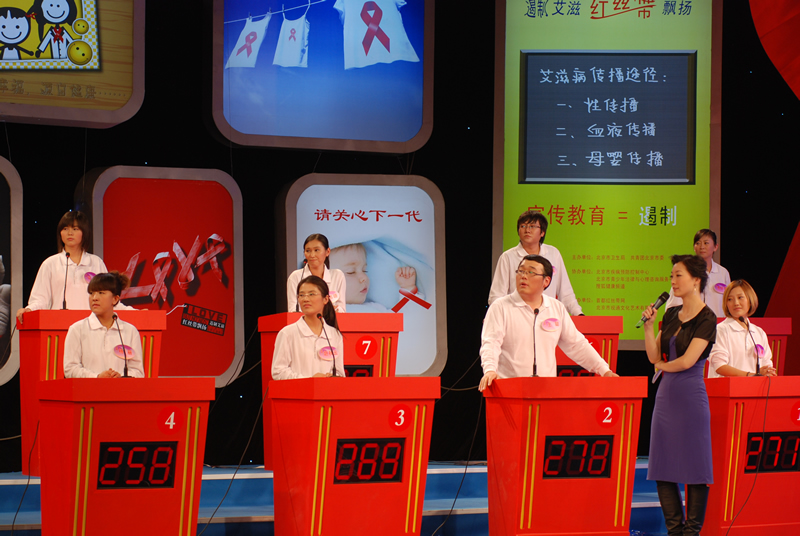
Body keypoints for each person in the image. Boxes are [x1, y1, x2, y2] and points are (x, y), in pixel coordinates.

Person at [641, 254, 715, 536]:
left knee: (696, 468)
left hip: (691, 395)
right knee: (663, 466)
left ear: (696, 280)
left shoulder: (707, 318)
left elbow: (686, 361)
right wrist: (649, 326)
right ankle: (675, 531)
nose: (672, 281)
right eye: (671, 276)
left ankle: (691, 532)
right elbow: (653, 356)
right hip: (666, 397)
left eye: (678, 275)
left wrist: (661, 366)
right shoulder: (671, 314)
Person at [479, 255, 617, 391]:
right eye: (521, 271)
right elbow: (491, 343)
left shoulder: (556, 307)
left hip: (546, 391)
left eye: (531, 272)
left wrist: (604, 370)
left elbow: (576, 344)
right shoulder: (500, 307)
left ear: (546, 281)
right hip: (509, 390)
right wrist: (490, 370)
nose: (524, 276)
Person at [16, 211, 131, 324]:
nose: (69, 233)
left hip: (92, 326)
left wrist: (133, 311)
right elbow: (40, 299)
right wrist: (29, 309)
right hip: (59, 325)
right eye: (65, 228)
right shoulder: (50, 264)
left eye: (75, 229)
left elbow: (109, 299)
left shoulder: (96, 262)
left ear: (84, 232)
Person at [488, 210, 582, 315]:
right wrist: (495, 316)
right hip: (517, 317)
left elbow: (566, 293)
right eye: (523, 226)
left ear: (542, 232)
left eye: (532, 226)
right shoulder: (508, 257)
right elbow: (497, 295)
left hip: (548, 317)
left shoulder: (553, 253)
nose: (527, 230)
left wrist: (578, 314)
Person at [64, 272, 144, 378]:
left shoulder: (130, 331)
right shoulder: (77, 329)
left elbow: (138, 372)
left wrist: (121, 377)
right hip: (88, 388)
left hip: (120, 388)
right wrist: (96, 377)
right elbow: (70, 369)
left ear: (115, 299)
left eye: (101, 293)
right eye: (91, 293)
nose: (94, 298)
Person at [273, 275, 345, 380]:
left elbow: (340, 374)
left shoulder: (335, 335)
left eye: (311, 294)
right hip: (299, 390)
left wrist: (331, 378)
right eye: (302, 295)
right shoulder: (287, 333)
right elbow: (278, 372)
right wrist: (310, 380)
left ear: (325, 299)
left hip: (326, 391)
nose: (306, 299)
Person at [708, 280, 776, 378]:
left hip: (754, 386)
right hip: (726, 387)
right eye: (730, 299)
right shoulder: (720, 330)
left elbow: (766, 363)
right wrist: (749, 375)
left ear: (750, 299)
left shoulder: (759, 332)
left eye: (740, 297)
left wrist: (766, 372)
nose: (736, 303)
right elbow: (719, 366)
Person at [330, 242, 421, 310]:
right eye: (351, 272)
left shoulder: (374, 309)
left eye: (364, 270)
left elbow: (405, 320)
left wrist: (408, 288)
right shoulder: (324, 313)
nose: (364, 277)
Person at [664, 229, 731, 318]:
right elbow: (673, 306)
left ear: (715, 247)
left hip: (719, 323)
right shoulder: (687, 271)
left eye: (706, 243)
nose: (702, 247)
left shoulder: (723, 273)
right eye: (698, 243)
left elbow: (729, 301)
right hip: (692, 323)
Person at [287, 234, 346, 313]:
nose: (312, 255)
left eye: (316, 250)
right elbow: (292, 310)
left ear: (327, 252)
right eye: (308, 251)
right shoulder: (295, 277)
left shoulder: (337, 275)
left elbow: (341, 309)